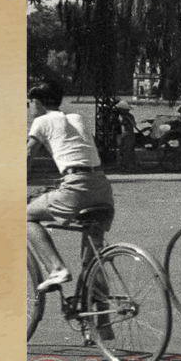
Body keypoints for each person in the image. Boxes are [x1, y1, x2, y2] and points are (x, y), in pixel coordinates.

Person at [26, 80, 116, 307]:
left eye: (29, 103)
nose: (29, 109)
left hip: (76, 188)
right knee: (92, 258)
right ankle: (100, 324)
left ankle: (56, 269)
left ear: (36, 102)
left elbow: (26, 156)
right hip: (103, 189)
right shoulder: (77, 118)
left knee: (25, 215)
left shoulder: (41, 121)